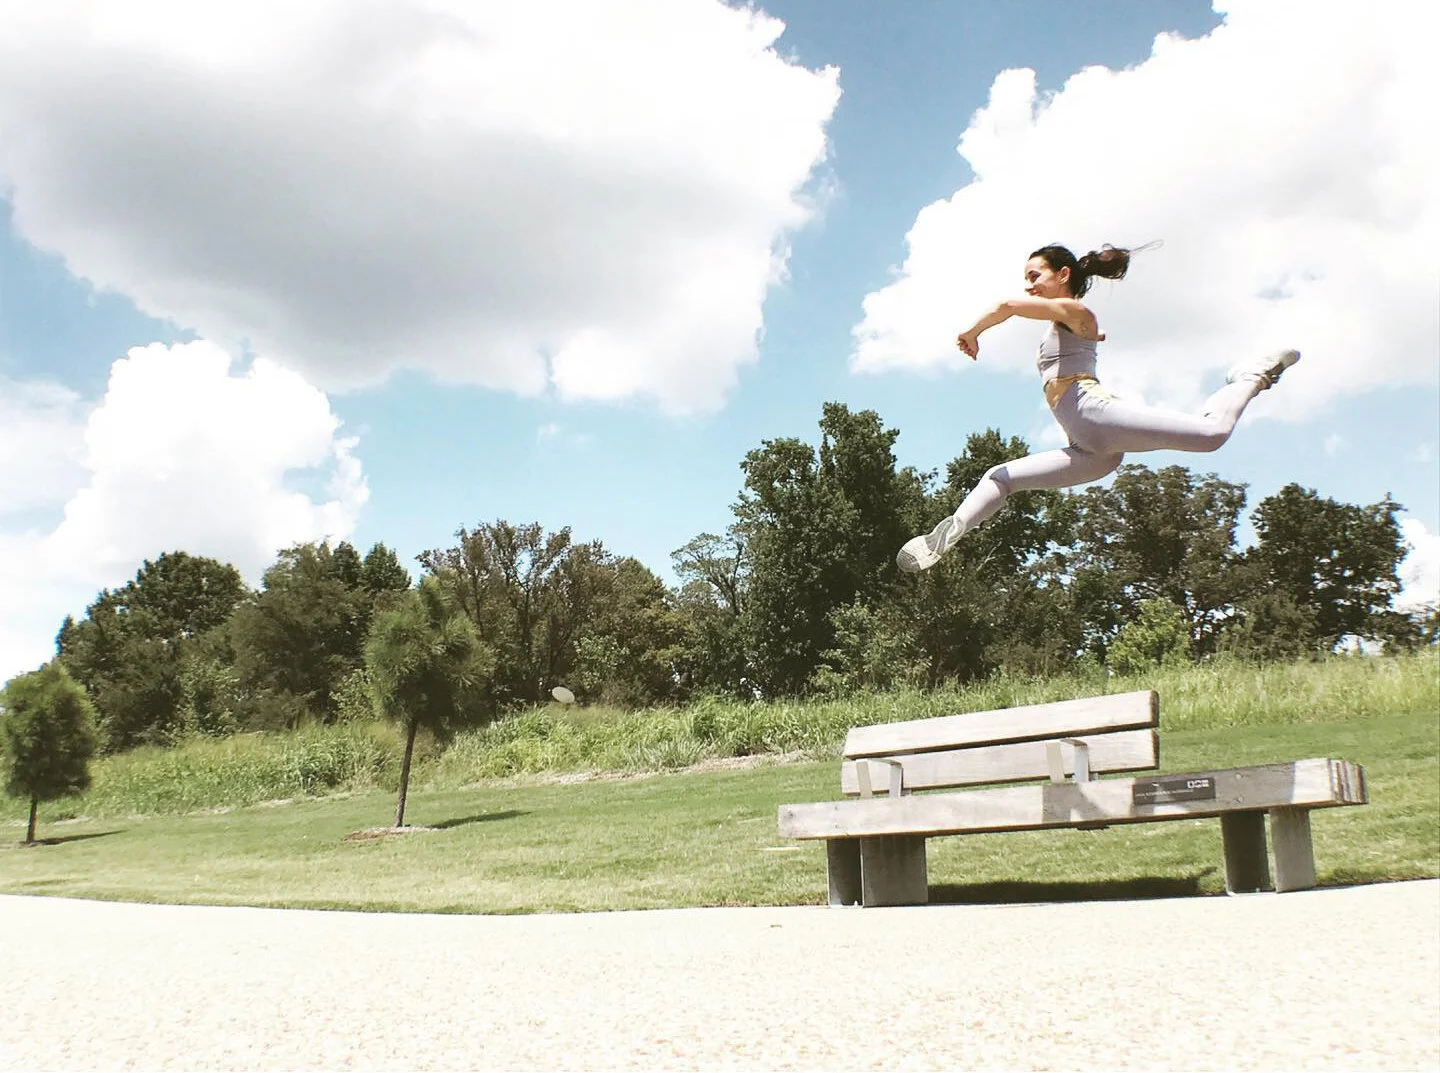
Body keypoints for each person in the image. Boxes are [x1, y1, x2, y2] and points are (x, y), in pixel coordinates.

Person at [896, 242, 1298, 573]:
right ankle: (948, 534)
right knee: (1000, 478)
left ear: (1063, 275)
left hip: (1094, 413)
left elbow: (1007, 305)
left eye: (1035, 276)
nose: (1029, 286)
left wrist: (971, 332)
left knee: (1212, 435)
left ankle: (1252, 375)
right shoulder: (1064, 324)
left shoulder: (1078, 312)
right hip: (1089, 448)